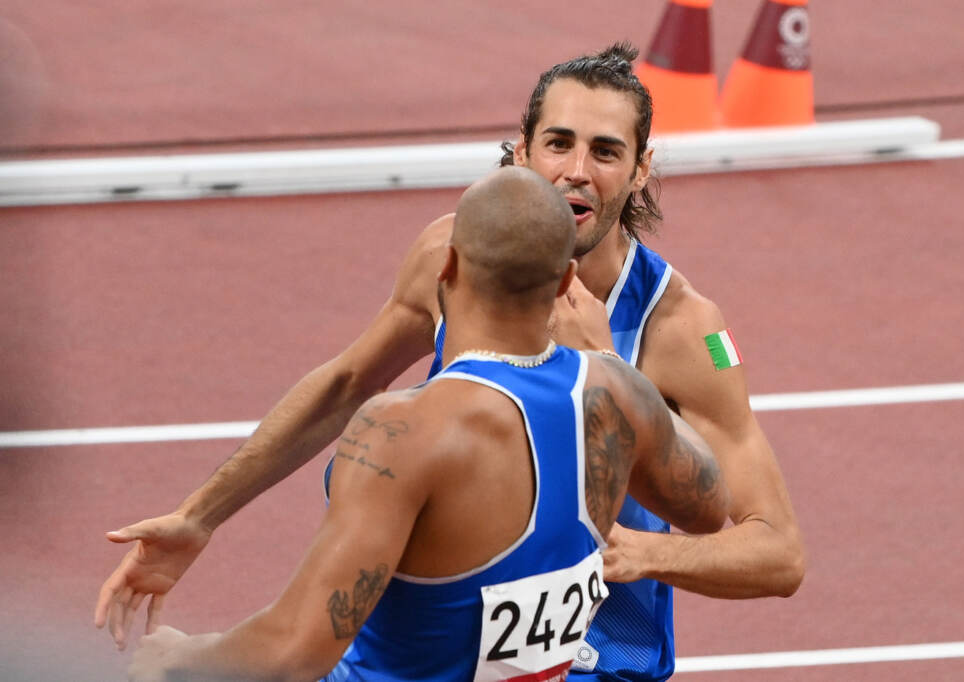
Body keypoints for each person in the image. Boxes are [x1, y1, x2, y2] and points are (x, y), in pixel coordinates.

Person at [98, 42, 804, 681]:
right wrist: (200, 515)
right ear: (522, 150)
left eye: (606, 151)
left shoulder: (680, 329)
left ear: (641, 167)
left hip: (595, 668)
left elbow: (776, 552)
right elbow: (350, 381)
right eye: (558, 143)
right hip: (433, 651)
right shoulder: (459, 255)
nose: (577, 172)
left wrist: (644, 554)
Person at [125, 166, 729, 682]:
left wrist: (174, 660)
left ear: (445, 268)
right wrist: (616, 367)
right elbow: (708, 507)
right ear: (567, 282)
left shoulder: (403, 430)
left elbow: (296, 649)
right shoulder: (617, 393)